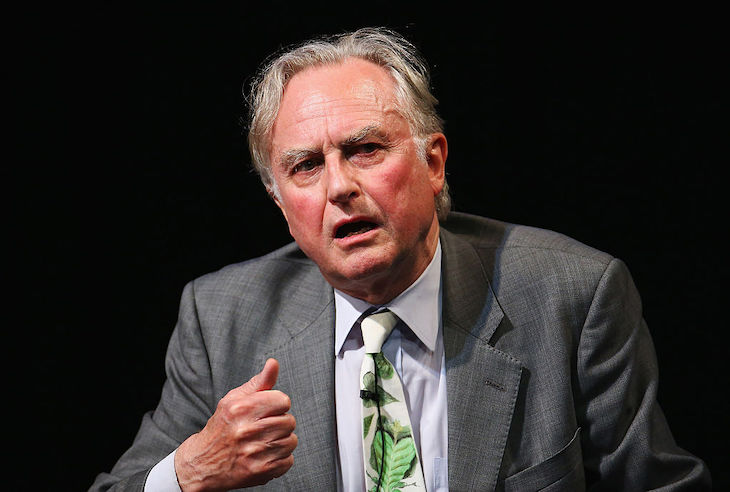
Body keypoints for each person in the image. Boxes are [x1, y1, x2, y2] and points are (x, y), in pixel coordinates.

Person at [91, 27, 710, 491]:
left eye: (365, 149)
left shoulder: (571, 295)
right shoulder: (220, 318)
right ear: (280, 203)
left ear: (433, 163)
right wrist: (190, 472)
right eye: (305, 166)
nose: (339, 187)